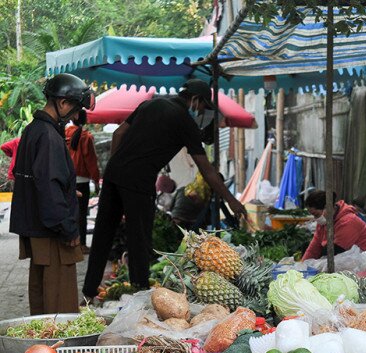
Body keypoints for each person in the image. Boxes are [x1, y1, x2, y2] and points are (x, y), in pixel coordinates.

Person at [82, 78, 248, 301]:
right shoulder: (184, 122)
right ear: (195, 100)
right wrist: (231, 200)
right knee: (139, 239)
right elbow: (207, 171)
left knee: (103, 233)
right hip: (139, 180)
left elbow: (117, 134)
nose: (201, 114)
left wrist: (117, 166)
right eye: (202, 107)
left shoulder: (150, 104)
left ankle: (88, 292)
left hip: (114, 174)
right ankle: (139, 294)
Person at [10, 73, 94, 315]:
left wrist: (68, 192)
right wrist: (68, 228)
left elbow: (39, 180)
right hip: (52, 231)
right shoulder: (48, 136)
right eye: (76, 109)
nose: (76, 116)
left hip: (38, 226)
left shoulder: (33, 130)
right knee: (60, 302)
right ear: (63, 103)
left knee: (42, 294)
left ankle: (42, 346)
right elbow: (48, 186)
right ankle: (59, 350)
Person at [302, 190, 366, 260]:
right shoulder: (324, 222)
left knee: (326, 251)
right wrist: (302, 266)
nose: (316, 218)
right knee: (306, 246)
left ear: (327, 207)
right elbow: (314, 248)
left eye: (316, 214)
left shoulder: (349, 221)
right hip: (345, 256)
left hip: (365, 260)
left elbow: (335, 251)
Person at [64, 114, 100, 254]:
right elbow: (91, 161)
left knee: (69, 212)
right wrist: (96, 180)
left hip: (67, 178)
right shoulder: (86, 137)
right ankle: (82, 245)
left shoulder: (64, 134)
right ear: (86, 120)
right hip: (82, 180)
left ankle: (69, 242)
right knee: (81, 214)